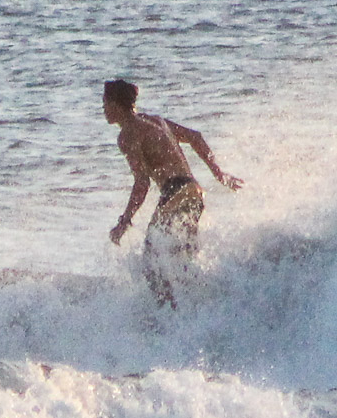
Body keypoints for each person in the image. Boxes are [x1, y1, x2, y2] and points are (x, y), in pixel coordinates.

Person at [103, 79, 241, 306]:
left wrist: (124, 221)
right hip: (195, 193)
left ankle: (167, 315)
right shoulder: (155, 120)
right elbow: (195, 137)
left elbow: (142, 183)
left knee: (151, 258)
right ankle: (206, 303)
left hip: (175, 193)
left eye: (105, 103)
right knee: (183, 257)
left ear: (117, 105)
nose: (103, 109)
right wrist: (219, 175)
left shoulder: (127, 135)